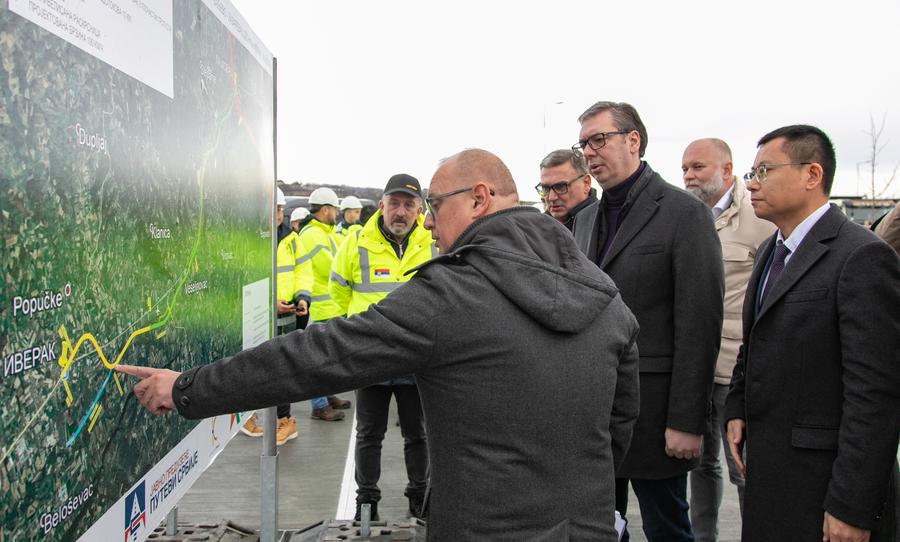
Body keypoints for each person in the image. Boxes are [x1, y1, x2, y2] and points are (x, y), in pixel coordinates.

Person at [117, 148, 640, 541]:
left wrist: (188, 388)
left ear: (479, 198)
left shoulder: (453, 293)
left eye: (436, 204)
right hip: (588, 528)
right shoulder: (601, 290)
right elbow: (618, 426)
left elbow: (318, 356)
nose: (428, 220)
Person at [725, 125, 900, 542]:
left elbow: (875, 394)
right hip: (770, 480)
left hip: (823, 492)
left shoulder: (861, 256)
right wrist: (736, 405)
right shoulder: (771, 250)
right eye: (751, 173)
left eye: (764, 171)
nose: (751, 183)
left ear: (812, 174)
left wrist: (851, 506)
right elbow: (757, 340)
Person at [571, 101, 724, 542]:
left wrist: (687, 420)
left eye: (599, 139)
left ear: (632, 140)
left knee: (667, 526)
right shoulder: (584, 219)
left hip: (656, 415)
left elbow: (699, 323)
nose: (590, 152)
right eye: (583, 144)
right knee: (599, 527)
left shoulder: (683, 214)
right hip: (594, 414)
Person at [680, 138, 774, 541]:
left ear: (727, 169)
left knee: (743, 467)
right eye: (684, 168)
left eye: (698, 167)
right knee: (701, 465)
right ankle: (704, 537)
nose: (688, 176)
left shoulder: (759, 218)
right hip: (697, 365)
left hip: (736, 369)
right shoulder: (685, 217)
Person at [330, 174, 436, 521]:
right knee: (368, 434)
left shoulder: (433, 243)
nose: (400, 212)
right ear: (381, 206)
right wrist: (352, 339)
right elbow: (338, 293)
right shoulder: (356, 243)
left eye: (408, 205)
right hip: (370, 358)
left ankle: (418, 497)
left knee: (418, 434)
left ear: (419, 209)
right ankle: (367, 502)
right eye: (394, 204)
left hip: (415, 359)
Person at [240, 188, 309, 445]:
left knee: (283, 367)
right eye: (274, 208)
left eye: (280, 209)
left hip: (286, 316)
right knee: (253, 364)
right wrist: (269, 303)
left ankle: (285, 420)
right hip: (257, 316)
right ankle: (248, 414)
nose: (278, 213)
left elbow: (303, 271)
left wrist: (303, 297)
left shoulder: (292, 239)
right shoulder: (250, 238)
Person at [296, 187, 351, 421]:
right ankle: (318, 405)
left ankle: (327, 396)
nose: (337, 213)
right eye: (335, 209)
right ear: (325, 209)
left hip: (329, 307)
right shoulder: (311, 235)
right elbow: (330, 267)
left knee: (327, 358)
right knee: (317, 360)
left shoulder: (324, 232)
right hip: (318, 309)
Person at [537, 149, 597, 231]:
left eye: (560, 187)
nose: (551, 197)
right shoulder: (536, 230)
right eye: (545, 188)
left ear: (586, 183)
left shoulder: (604, 223)